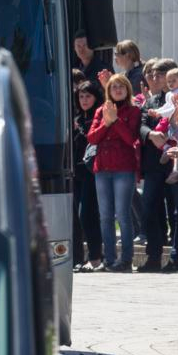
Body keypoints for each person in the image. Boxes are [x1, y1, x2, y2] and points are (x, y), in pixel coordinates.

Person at [87, 72, 142, 273]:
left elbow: (130, 138)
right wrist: (107, 122)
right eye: (114, 87)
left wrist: (116, 120)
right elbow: (92, 138)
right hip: (102, 168)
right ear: (108, 90)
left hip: (123, 168)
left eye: (121, 86)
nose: (118, 90)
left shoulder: (133, 110)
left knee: (123, 215)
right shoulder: (101, 110)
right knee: (105, 216)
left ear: (127, 89)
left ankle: (126, 260)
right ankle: (109, 260)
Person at [139, 58, 178, 272]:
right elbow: (141, 124)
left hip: (176, 163)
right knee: (149, 207)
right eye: (152, 74)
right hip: (154, 164)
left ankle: (177, 258)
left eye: (160, 74)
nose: (155, 78)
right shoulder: (151, 101)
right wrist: (151, 134)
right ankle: (153, 256)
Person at [73, 81, 105, 272]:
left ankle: (95, 257)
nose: (84, 100)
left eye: (88, 96)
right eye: (81, 96)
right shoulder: (76, 118)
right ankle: (79, 258)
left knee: (87, 214)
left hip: (91, 172)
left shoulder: (98, 117)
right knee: (76, 218)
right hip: (75, 171)